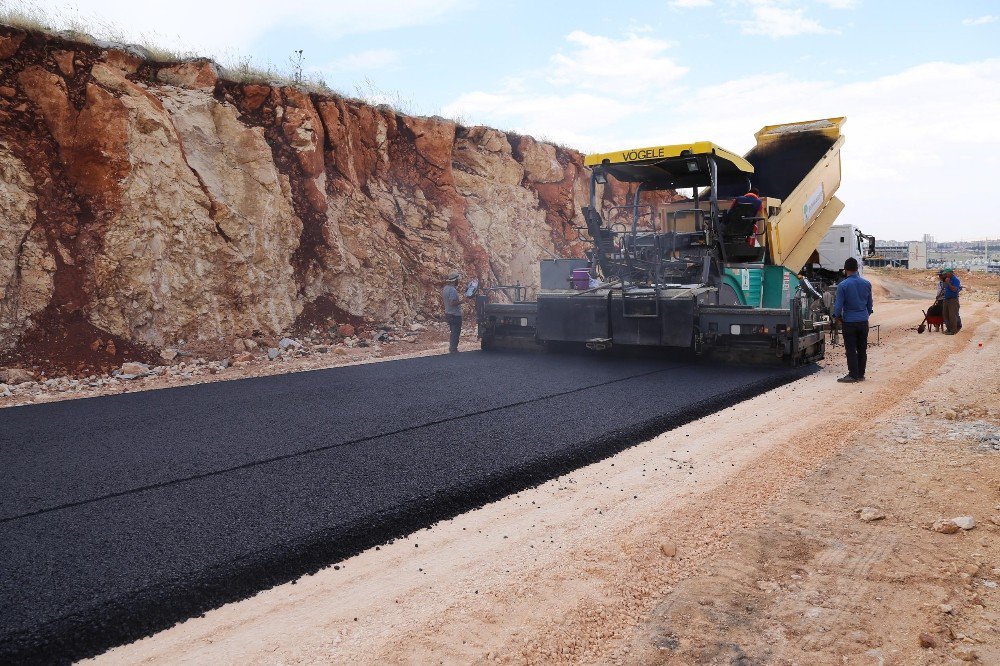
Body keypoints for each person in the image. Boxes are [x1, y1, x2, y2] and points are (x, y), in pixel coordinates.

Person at [832, 257, 873, 383]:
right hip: (863, 321)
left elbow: (838, 306)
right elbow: (869, 305)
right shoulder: (867, 284)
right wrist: (865, 315)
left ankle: (853, 375)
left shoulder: (842, 285)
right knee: (862, 348)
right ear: (857, 268)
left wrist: (835, 317)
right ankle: (861, 374)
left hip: (849, 322)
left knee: (851, 349)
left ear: (845, 269)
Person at [442, 271, 463, 353]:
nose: (459, 281)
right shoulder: (453, 290)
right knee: (455, 333)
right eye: (458, 280)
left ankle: (452, 348)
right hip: (455, 315)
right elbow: (452, 303)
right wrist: (462, 301)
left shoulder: (445, 288)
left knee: (453, 332)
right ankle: (453, 349)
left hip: (448, 313)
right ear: (455, 280)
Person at [940, 267, 962, 334]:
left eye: (946, 274)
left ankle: (953, 330)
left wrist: (948, 283)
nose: (946, 275)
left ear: (950, 273)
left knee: (952, 315)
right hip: (946, 299)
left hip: (953, 299)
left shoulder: (956, 280)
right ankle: (948, 328)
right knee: (945, 314)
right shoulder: (947, 279)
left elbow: (954, 290)